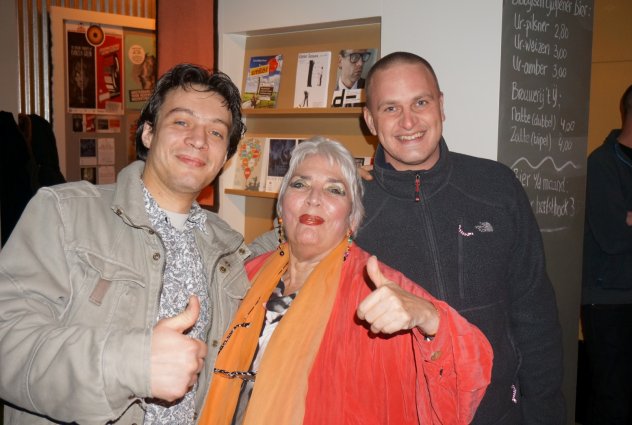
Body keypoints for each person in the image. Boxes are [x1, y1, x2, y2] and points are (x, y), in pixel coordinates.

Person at [0, 63, 252, 424]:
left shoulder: (229, 249)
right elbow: (8, 344)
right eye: (182, 121)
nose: (199, 139)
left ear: (225, 156)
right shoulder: (65, 213)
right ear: (148, 133)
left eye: (216, 132)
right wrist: (131, 364)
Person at [200, 137, 493, 425]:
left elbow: (470, 369)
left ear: (352, 219)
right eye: (300, 184)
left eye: (334, 190)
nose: (314, 198)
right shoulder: (247, 274)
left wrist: (429, 317)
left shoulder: (376, 285)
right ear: (281, 206)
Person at [356, 51, 565, 424]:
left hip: (499, 412)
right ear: (370, 120)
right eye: (390, 108)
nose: (408, 121)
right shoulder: (350, 205)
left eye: (420, 102)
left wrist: (544, 412)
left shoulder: (496, 185)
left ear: (441, 105)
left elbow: (535, 312)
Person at [581, 79, 632, 425]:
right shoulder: (603, 163)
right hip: (610, 302)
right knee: (612, 402)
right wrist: (625, 221)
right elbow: (612, 237)